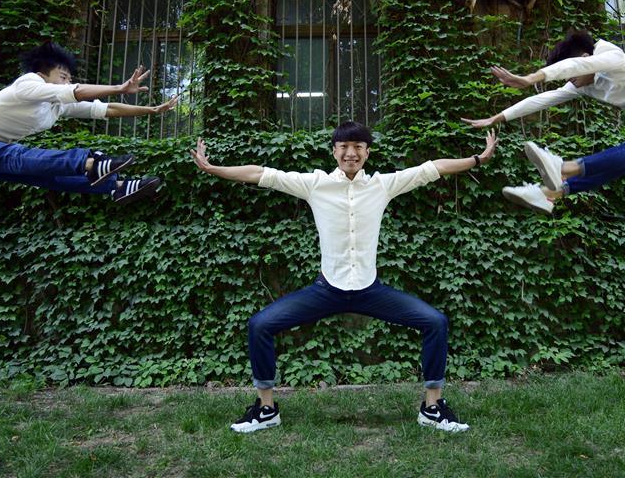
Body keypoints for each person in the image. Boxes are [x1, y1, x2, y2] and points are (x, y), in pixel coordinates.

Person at [191, 121, 498, 433]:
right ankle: (266, 409)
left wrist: (477, 159)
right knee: (260, 325)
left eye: (358, 147)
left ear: (367, 152)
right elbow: (260, 174)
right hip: (327, 290)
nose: (351, 153)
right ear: (334, 151)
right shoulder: (314, 184)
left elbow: (431, 168)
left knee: (435, 322)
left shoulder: (383, 185)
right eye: (344, 147)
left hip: (370, 290)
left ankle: (432, 408)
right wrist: (214, 168)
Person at [462, 31, 625, 214]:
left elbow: (569, 68)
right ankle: (550, 194)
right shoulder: (584, 86)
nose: (571, 80)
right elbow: (544, 99)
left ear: (585, 60)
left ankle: (562, 167)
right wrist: (500, 116)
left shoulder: (613, 58)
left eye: (574, 72)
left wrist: (531, 77)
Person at [0, 42, 175, 204]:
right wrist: (120, 87)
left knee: (42, 175)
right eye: (63, 76)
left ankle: (118, 186)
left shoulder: (57, 105)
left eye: (70, 78)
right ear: (43, 73)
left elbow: (106, 109)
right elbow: (76, 92)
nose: (67, 82)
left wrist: (152, 109)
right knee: (15, 156)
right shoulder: (28, 83)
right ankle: (90, 163)